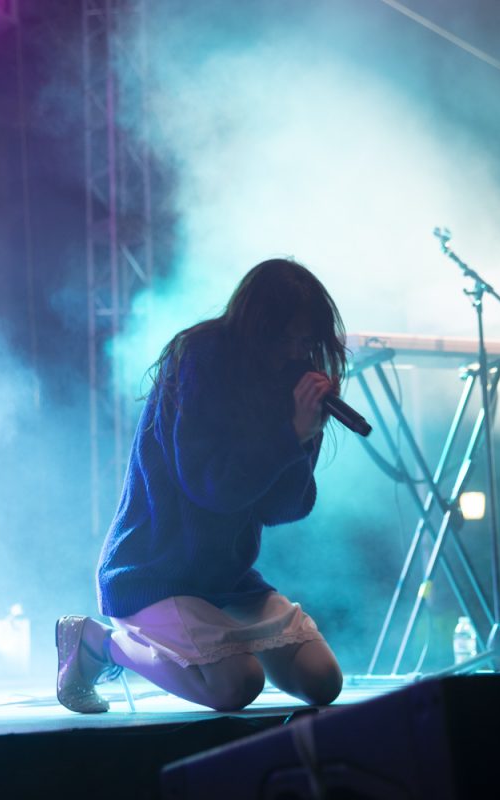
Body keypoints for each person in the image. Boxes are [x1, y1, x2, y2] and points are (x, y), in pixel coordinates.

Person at [57, 257, 348, 713]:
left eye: (305, 341)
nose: (295, 353)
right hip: (154, 570)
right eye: (286, 338)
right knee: (236, 685)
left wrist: (303, 439)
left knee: (322, 680)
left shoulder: (283, 380)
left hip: (224, 578)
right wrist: (287, 436)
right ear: (259, 327)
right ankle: (97, 644)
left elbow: (282, 509)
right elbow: (212, 488)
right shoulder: (201, 358)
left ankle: (191, 646)